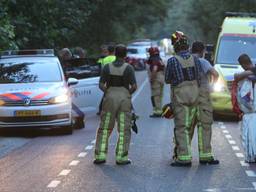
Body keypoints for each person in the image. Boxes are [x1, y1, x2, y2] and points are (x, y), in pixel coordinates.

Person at [94, 44, 137, 165]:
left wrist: (108, 92)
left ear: (115, 54)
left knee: (105, 127)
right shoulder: (129, 68)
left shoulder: (107, 67)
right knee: (124, 129)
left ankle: (100, 156)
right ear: (125, 55)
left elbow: (101, 84)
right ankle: (121, 157)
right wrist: (127, 94)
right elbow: (134, 86)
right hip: (124, 99)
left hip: (109, 99)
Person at [165, 31, 201, 167]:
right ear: (187, 46)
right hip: (195, 96)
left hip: (180, 97)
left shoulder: (172, 61)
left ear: (176, 47)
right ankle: (182, 152)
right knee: (190, 126)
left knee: (181, 127)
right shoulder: (195, 59)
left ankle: (184, 157)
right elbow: (199, 76)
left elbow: (168, 79)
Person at [191, 41, 219, 165]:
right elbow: (215, 74)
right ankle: (205, 156)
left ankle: (181, 154)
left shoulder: (185, 60)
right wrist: (211, 86)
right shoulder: (203, 61)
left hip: (188, 97)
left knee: (186, 127)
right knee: (205, 126)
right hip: (202, 97)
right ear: (202, 51)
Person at [233, 54, 256, 163]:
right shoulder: (251, 72)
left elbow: (237, 77)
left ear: (243, 64)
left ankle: (252, 155)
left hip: (251, 112)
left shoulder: (248, 75)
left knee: (250, 136)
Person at [97, 44, 117, 115]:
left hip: (108, 79)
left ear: (108, 51)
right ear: (114, 51)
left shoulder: (103, 59)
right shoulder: (116, 58)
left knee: (107, 93)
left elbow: (101, 69)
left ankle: (101, 109)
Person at [147, 47, 165, 117]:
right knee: (160, 96)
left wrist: (152, 79)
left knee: (155, 96)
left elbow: (154, 69)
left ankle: (157, 112)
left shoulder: (154, 60)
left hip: (156, 79)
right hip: (161, 78)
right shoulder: (160, 59)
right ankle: (159, 110)